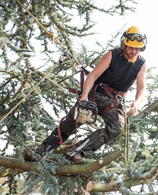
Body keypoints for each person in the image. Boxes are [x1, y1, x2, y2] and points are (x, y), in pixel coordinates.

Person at [24, 26, 147, 163]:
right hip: (95, 94)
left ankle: (78, 151)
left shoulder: (141, 64)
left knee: (117, 128)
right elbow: (93, 76)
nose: (133, 51)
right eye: (131, 47)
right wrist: (84, 96)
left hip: (113, 102)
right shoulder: (112, 55)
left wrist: (136, 104)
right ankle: (40, 152)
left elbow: (141, 88)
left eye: (137, 48)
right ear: (124, 44)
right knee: (72, 122)